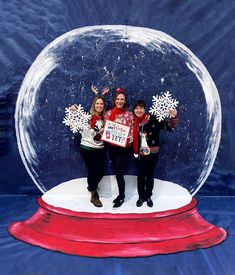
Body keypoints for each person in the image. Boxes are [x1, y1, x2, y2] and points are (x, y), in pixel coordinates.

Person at [133, 100, 179, 207]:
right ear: (134, 110)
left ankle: (148, 196)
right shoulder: (133, 121)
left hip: (153, 153)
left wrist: (173, 116)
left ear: (144, 109)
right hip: (139, 154)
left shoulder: (153, 118)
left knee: (149, 175)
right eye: (137, 108)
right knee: (140, 176)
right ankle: (141, 197)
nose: (139, 110)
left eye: (141, 108)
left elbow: (169, 127)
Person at [70, 94, 107, 207]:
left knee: (100, 172)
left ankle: (91, 186)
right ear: (94, 105)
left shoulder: (106, 119)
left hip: (100, 148)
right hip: (87, 148)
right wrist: (73, 110)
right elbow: (75, 119)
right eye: (97, 103)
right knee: (92, 171)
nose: (99, 105)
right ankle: (94, 194)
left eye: (101, 104)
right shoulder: (87, 117)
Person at [105, 88, 134, 208]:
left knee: (118, 173)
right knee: (117, 171)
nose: (120, 101)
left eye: (122, 99)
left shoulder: (129, 115)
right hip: (112, 147)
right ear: (114, 100)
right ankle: (120, 195)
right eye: (118, 99)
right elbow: (106, 128)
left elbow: (132, 129)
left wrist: (130, 138)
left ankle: (121, 196)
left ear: (125, 101)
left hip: (123, 149)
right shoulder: (108, 113)